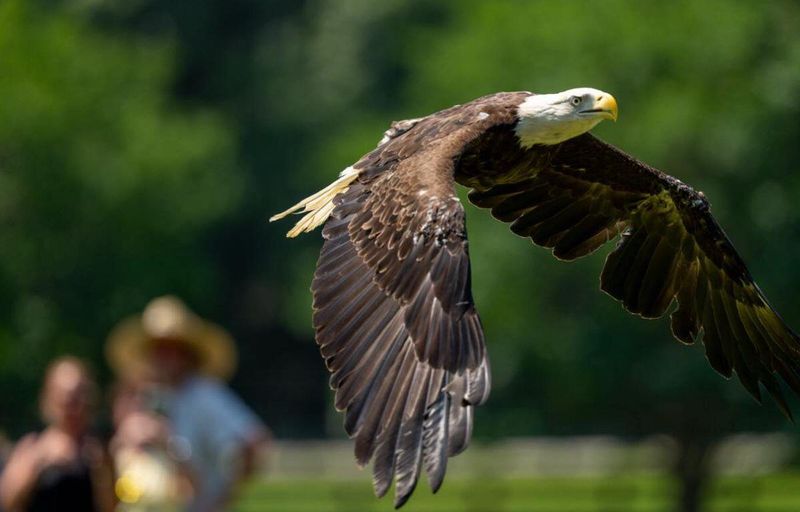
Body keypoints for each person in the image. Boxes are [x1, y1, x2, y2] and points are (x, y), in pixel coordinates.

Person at [106, 296, 270, 512]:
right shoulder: (145, 396)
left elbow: (254, 442)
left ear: (186, 352)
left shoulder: (205, 394)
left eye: (169, 348)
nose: (161, 357)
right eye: (156, 348)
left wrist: (223, 498)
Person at [0, 357, 115, 512]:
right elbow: (8, 502)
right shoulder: (32, 447)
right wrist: (38, 463)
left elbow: (110, 507)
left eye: (78, 396)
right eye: (65, 397)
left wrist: (101, 471)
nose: (72, 405)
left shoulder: (98, 451)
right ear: (49, 397)